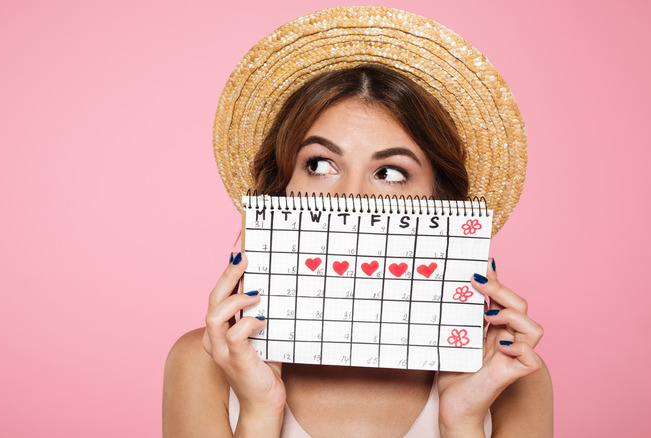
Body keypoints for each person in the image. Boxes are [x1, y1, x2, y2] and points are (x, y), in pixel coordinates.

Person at [163, 7, 552, 437]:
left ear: (444, 206)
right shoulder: (202, 363)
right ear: (280, 190)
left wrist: (461, 419)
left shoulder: (510, 374)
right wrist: (259, 408)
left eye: (389, 172)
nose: (351, 198)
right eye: (320, 164)